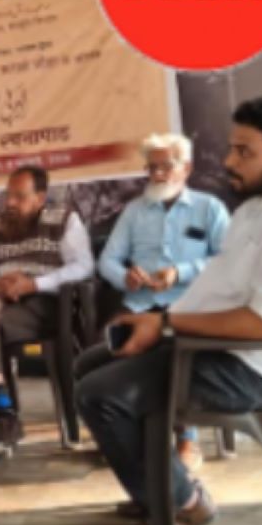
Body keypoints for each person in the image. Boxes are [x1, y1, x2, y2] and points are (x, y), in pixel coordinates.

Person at [75, 96, 262, 525]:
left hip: (246, 366)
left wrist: (164, 326)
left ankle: (185, 504)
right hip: (205, 340)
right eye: (231, 148)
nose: (229, 161)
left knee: (100, 394)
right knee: (90, 363)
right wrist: (162, 321)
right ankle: (160, 486)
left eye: (244, 151)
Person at [93, 133, 230, 471]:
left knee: (175, 348)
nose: (157, 174)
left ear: (187, 168)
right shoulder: (135, 211)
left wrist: (180, 272)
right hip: (140, 304)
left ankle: (187, 438)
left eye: (166, 166)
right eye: (151, 167)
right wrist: (125, 277)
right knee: (109, 342)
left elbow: (229, 260)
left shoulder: (208, 208)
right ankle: (128, 436)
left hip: (191, 305)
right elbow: (108, 260)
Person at [0, 166, 94, 468]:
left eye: (20, 197)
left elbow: (83, 266)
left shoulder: (64, 219)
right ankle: (2, 411)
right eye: (9, 195)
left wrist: (35, 284)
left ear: (40, 198)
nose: (10, 202)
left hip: (43, 305)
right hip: (3, 298)